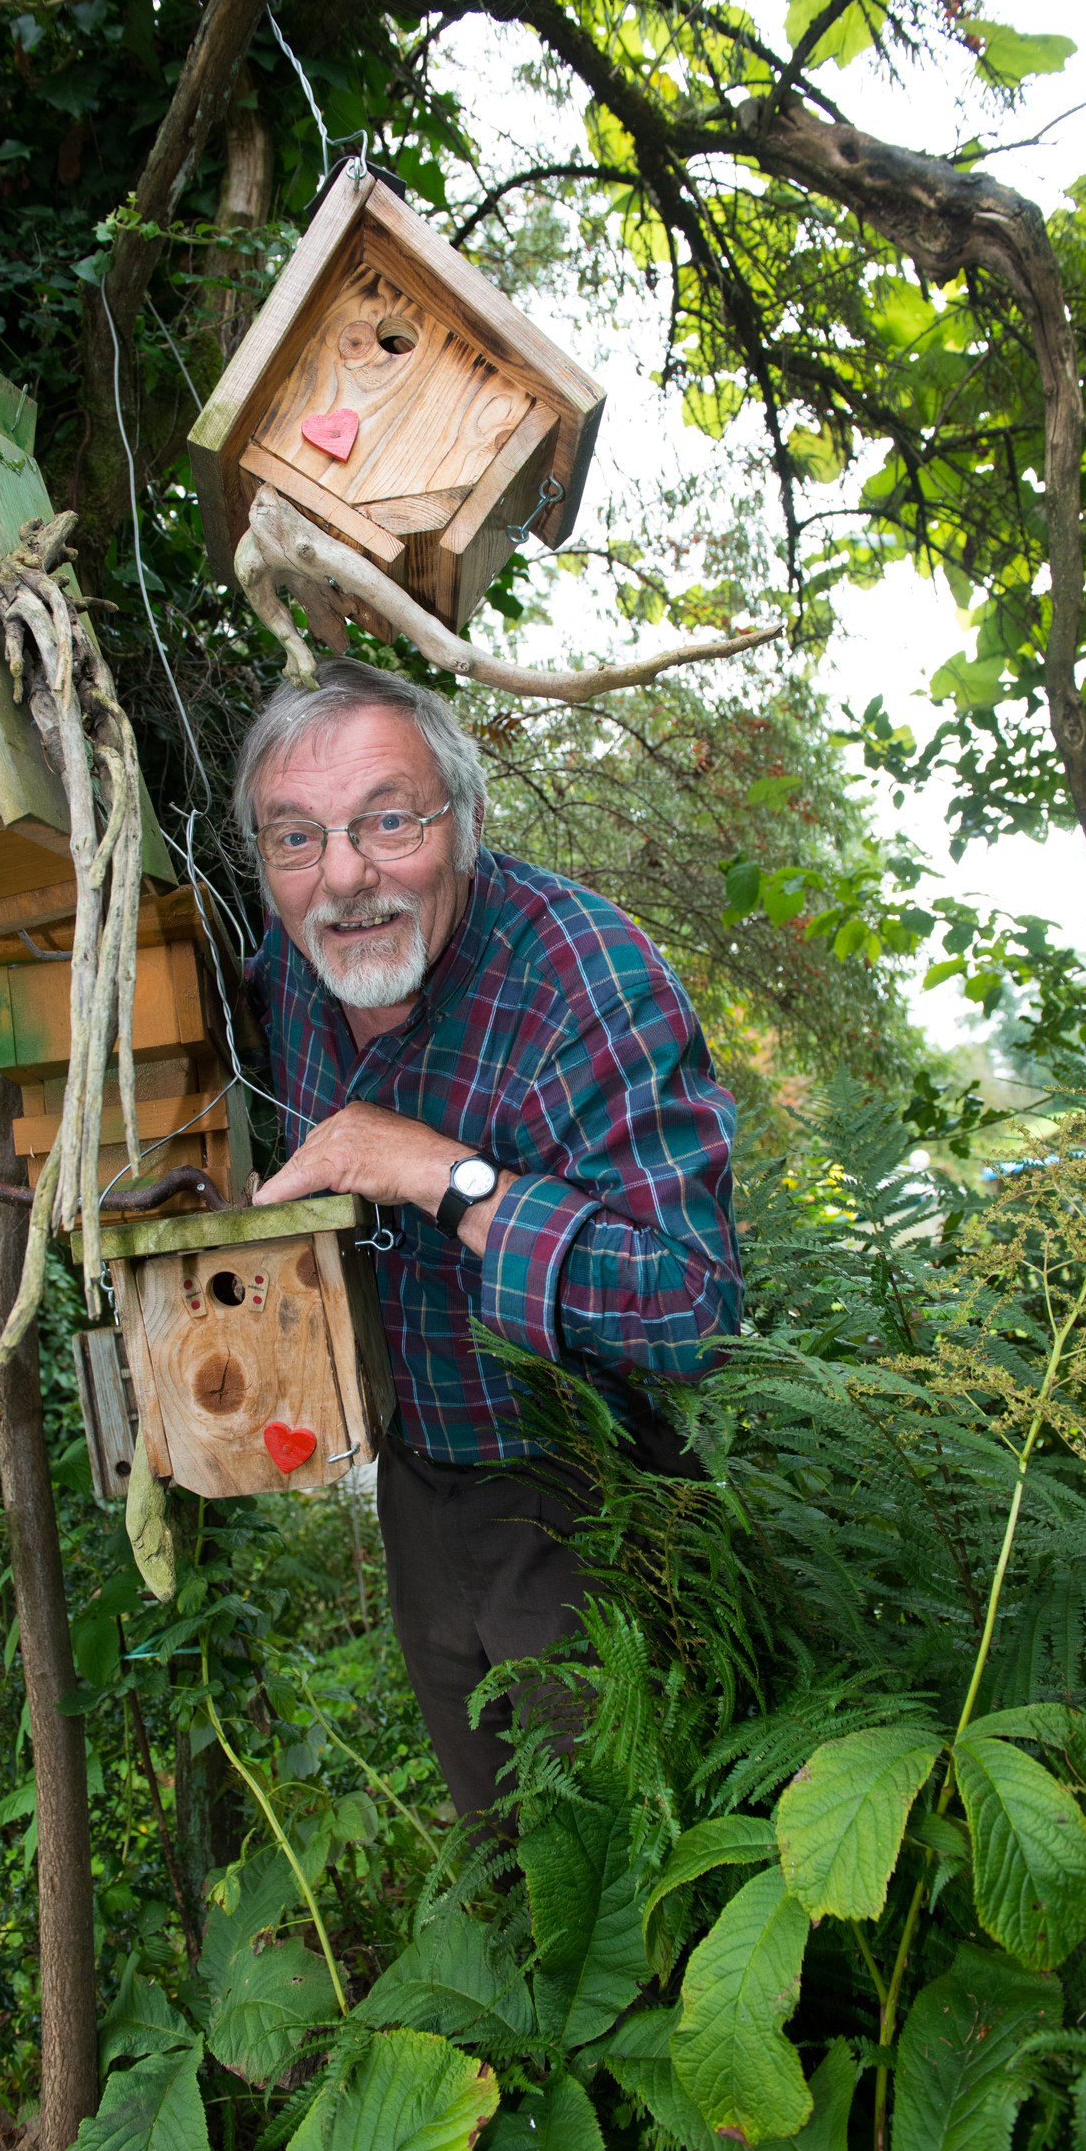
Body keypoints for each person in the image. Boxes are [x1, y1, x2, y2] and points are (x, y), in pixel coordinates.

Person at [236, 658, 742, 1819]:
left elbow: (693, 1309)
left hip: (594, 1500)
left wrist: (437, 1173)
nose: (345, 877)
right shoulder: (289, 967)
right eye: (297, 838)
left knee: (629, 1861)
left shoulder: (586, 980)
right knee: (498, 1843)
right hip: (416, 1483)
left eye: (389, 821)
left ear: (461, 824)